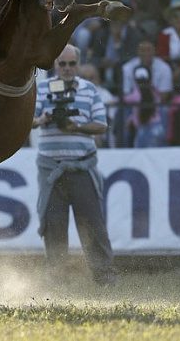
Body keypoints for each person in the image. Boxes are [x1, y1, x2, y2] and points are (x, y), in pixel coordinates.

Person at [31, 44, 116, 286]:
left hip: (81, 167)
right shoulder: (43, 88)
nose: (67, 68)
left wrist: (76, 127)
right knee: (53, 225)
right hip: (52, 169)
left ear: (78, 64)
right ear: (56, 65)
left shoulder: (90, 90)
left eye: (71, 64)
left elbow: (101, 125)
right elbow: (30, 120)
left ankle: (104, 274)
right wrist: (45, 119)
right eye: (62, 64)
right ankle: (58, 277)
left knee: (92, 222)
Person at [123, 64, 166, 147]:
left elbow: (125, 99)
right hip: (157, 128)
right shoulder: (155, 92)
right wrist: (131, 119)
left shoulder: (136, 94)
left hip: (143, 130)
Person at [122, 37, 173, 104]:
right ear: (137, 51)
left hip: (157, 105)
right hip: (133, 104)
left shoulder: (164, 68)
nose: (145, 53)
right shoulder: (127, 68)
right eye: (142, 50)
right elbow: (126, 93)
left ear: (155, 51)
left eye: (149, 50)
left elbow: (163, 96)